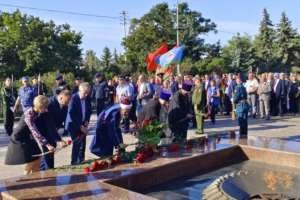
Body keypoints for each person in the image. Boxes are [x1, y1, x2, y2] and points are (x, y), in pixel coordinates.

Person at [5, 95, 55, 175]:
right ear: (40, 107)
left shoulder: (37, 112)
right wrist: (47, 145)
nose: (46, 109)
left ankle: (35, 178)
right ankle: (26, 179)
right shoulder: (29, 113)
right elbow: (34, 131)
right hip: (19, 139)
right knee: (31, 161)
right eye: (45, 107)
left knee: (37, 159)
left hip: (27, 138)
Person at [37, 90, 71, 169]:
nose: (68, 103)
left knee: (50, 155)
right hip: (45, 132)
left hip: (53, 131)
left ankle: (44, 170)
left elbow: (61, 120)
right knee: (48, 155)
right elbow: (49, 124)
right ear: (61, 97)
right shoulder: (50, 104)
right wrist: (59, 140)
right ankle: (47, 172)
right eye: (67, 101)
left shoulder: (64, 105)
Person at [65, 82, 92, 165]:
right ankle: (74, 162)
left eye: (88, 93)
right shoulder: (73, 98)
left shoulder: (87, 98)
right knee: (77, 143)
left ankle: (81, 159)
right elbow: (71, 115)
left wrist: (87, 120)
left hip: (83, 123)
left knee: (83, 142)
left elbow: (88, 110)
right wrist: (80, 127)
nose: (86, 95)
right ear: (80, 90)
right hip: (73, 124)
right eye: (85, 93)